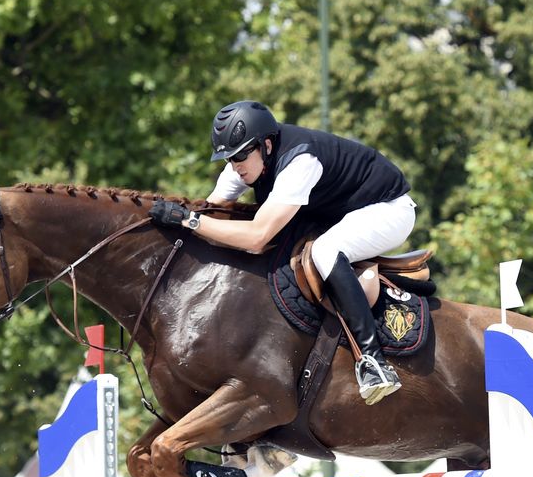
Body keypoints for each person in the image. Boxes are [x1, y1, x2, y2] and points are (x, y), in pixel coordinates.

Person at [148, 101, 416, 405]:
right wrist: (176, 222)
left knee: (325, 251)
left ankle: (373, 361)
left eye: (240, 156)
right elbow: (211, 211)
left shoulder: (301, 161)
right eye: (229, 158)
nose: (235, 166)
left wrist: (189, 220)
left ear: (266, 145)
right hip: (336, 213)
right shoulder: (247, 163)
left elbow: (256, 237)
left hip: (388, 209)